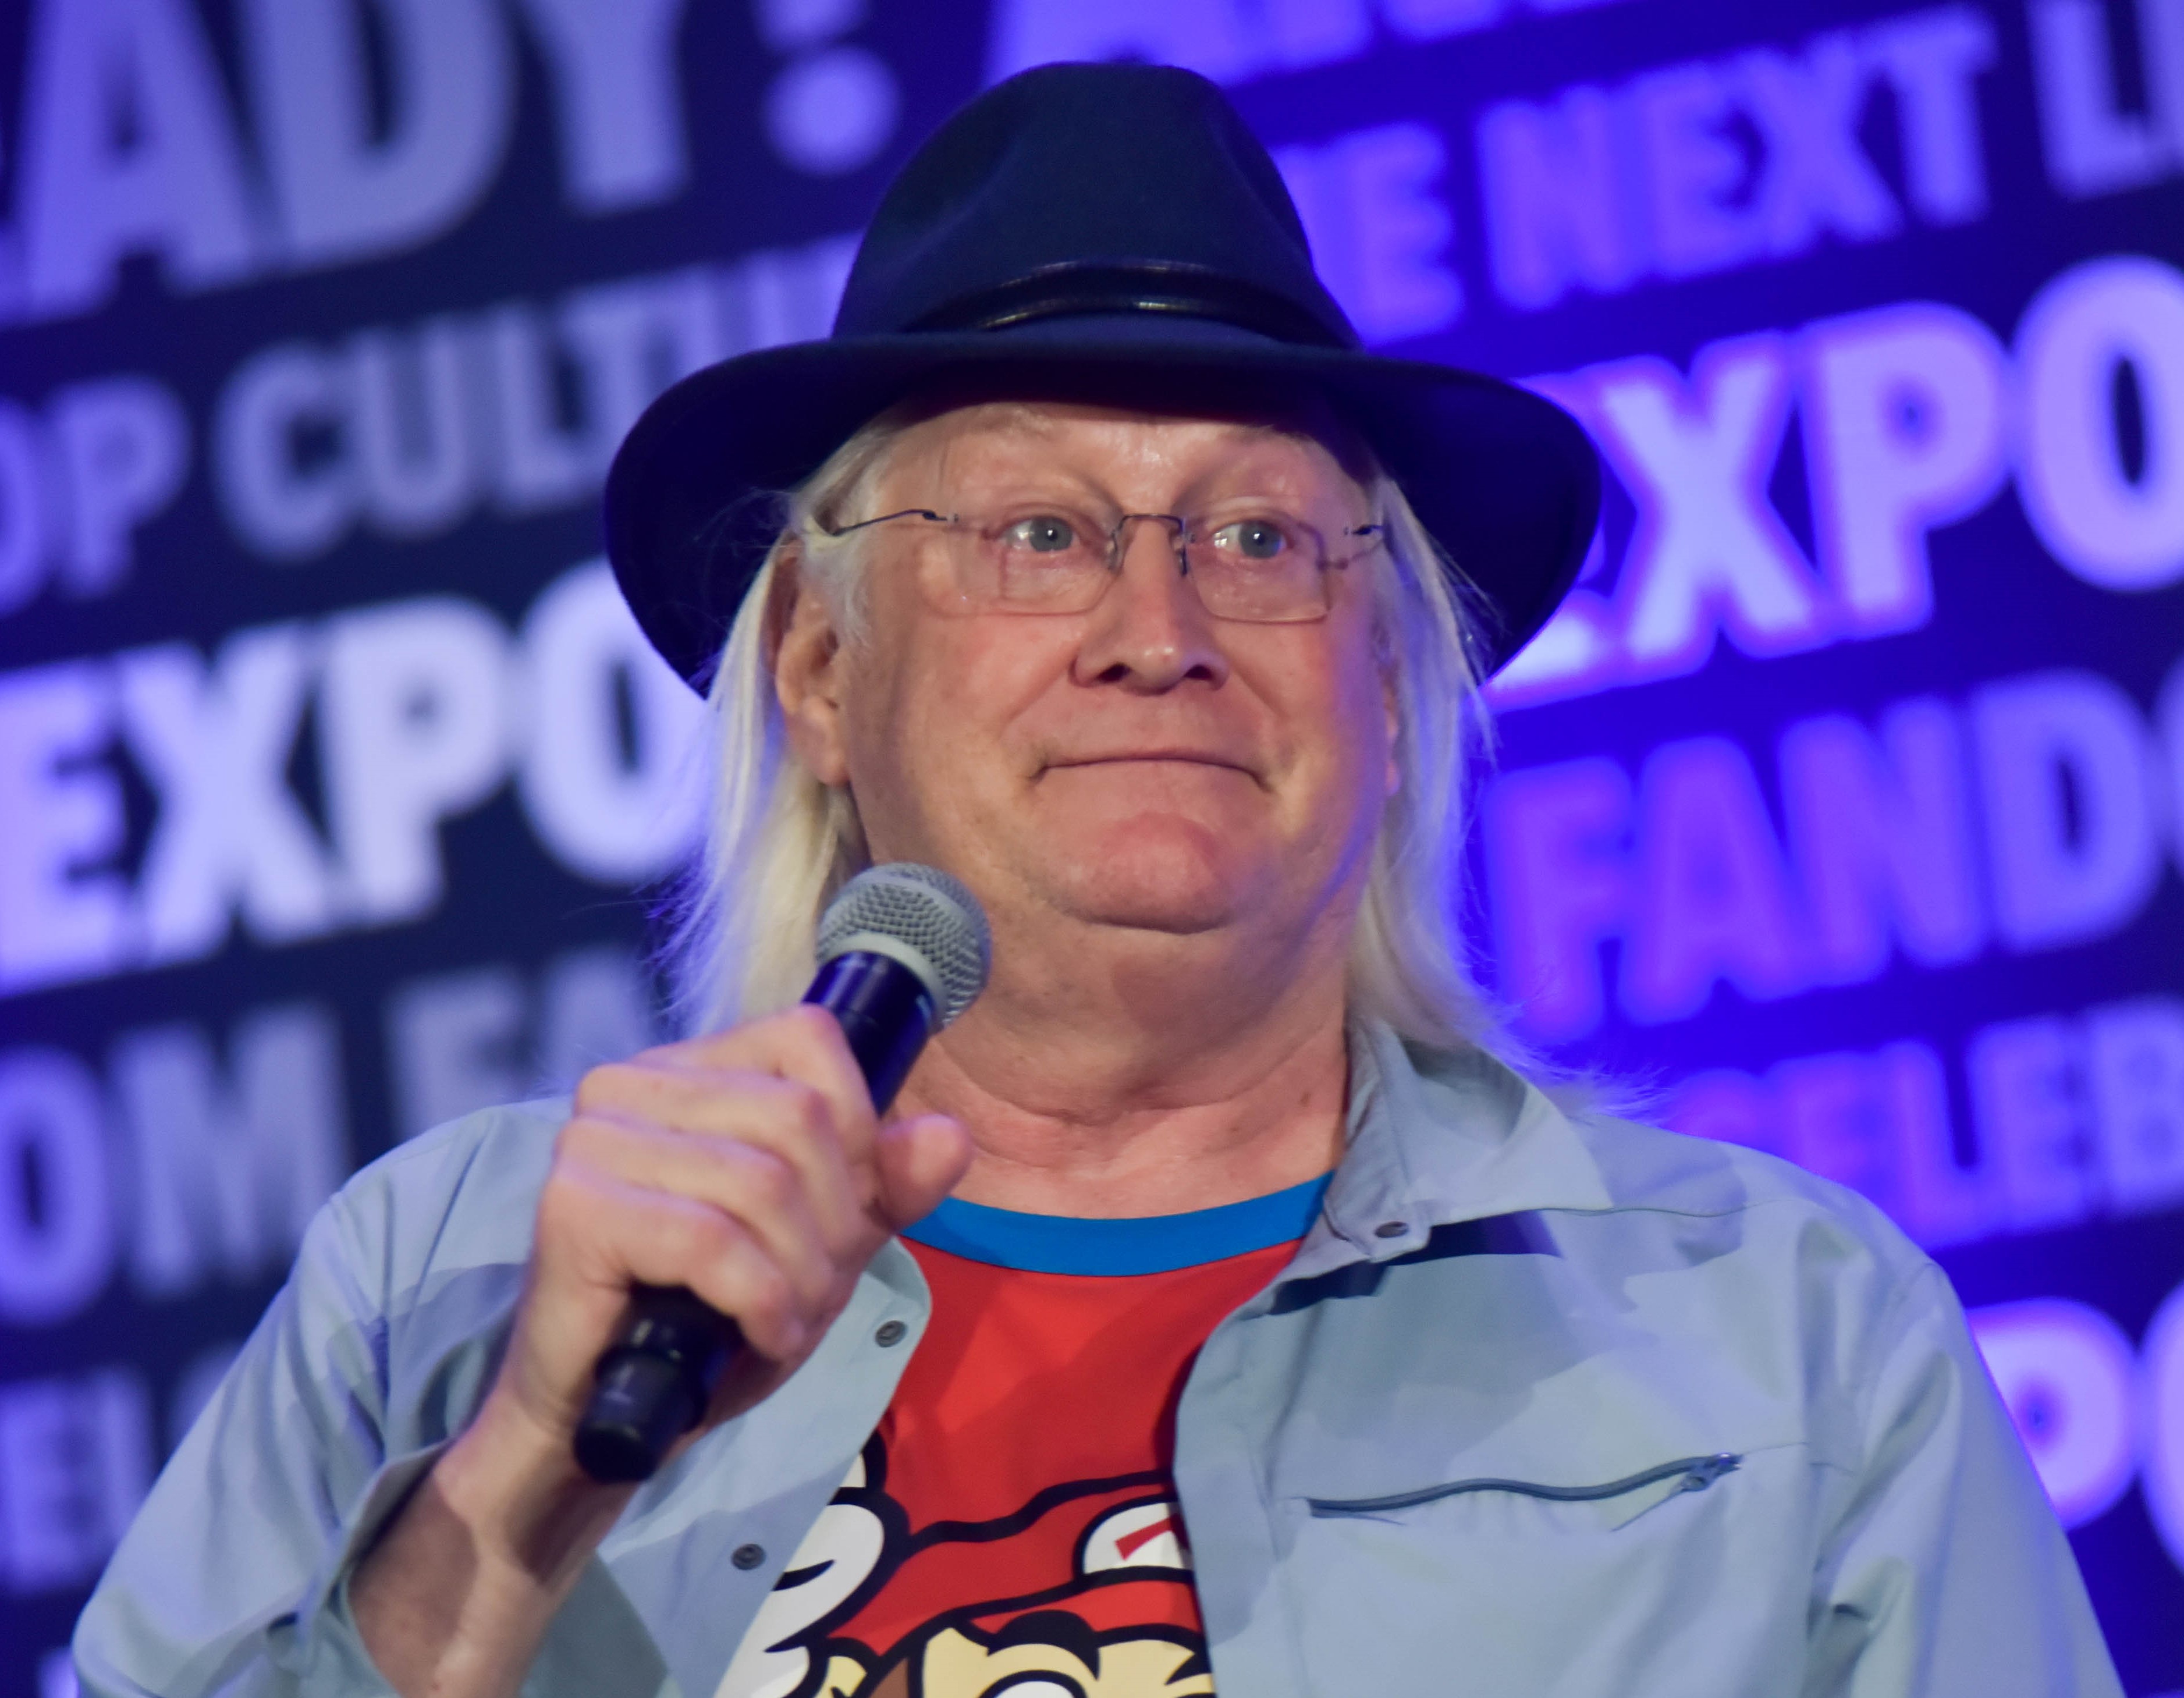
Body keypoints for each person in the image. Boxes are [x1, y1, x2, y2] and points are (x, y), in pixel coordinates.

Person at [77, 62, 2119, 1698]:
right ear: (814, 666)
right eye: (1038, 533)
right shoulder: (446, 1279)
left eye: (1256, 539)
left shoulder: (1791, 1340)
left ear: (1388, 687)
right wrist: (524, 1467)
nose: (1160, 625)